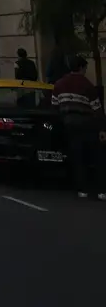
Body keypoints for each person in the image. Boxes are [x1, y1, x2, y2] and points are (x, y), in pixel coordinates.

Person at [52, 55, 105, 200]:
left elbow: (54, 106)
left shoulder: (59, 84)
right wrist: (102, 128)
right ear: (81, 68)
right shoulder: (87, 85)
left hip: (69, 125)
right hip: (88, 124)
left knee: (77, 158)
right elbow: (97, 109)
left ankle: (82, 189)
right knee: (97, 157)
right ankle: (101, 191)